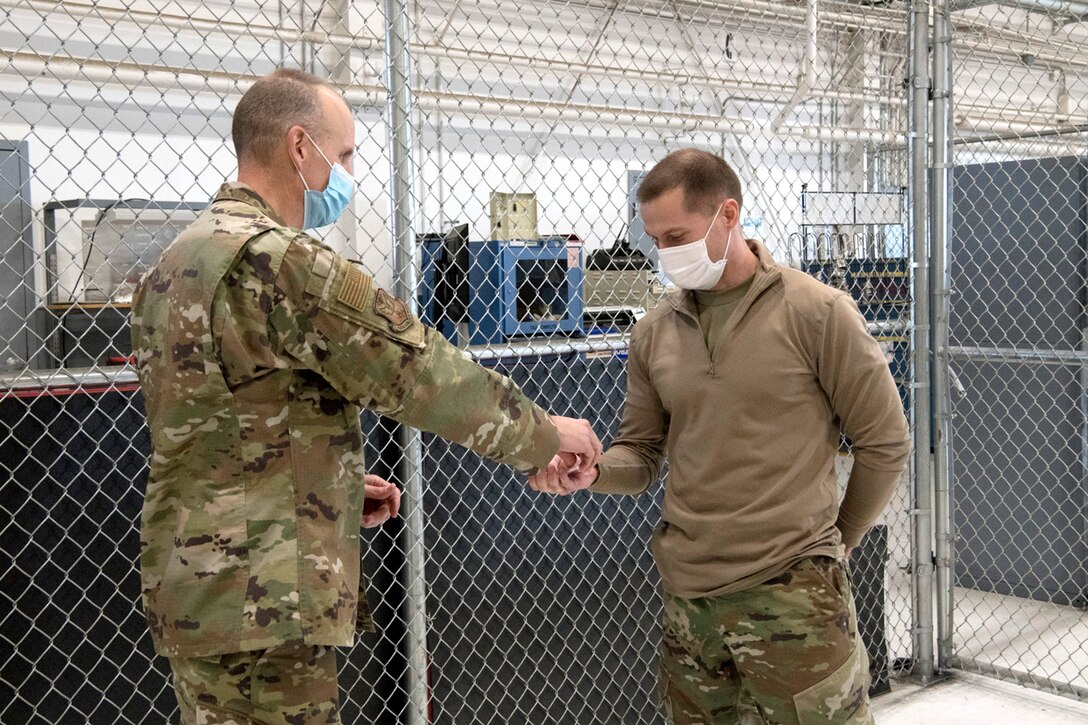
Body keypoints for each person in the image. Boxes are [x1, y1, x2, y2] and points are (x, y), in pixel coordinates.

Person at [130, 68, 601, 725]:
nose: (349, 172)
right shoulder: (281, 262)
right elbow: (418, 370)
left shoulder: (173, 263)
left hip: (195, 582)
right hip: (265, 596)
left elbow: (218, 419)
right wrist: (544, 435)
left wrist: (332, 482)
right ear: (301, 147)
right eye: (344, 154)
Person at [529, 149, 910, 725]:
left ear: (727, 215)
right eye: (655, 238)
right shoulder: (655, 331)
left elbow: (885, 441)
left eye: (676, 234)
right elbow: (643, 451)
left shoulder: (818, 313)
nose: (663, 251)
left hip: (794, 594)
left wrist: (842, 539)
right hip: (691, 602)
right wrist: (596, 471)